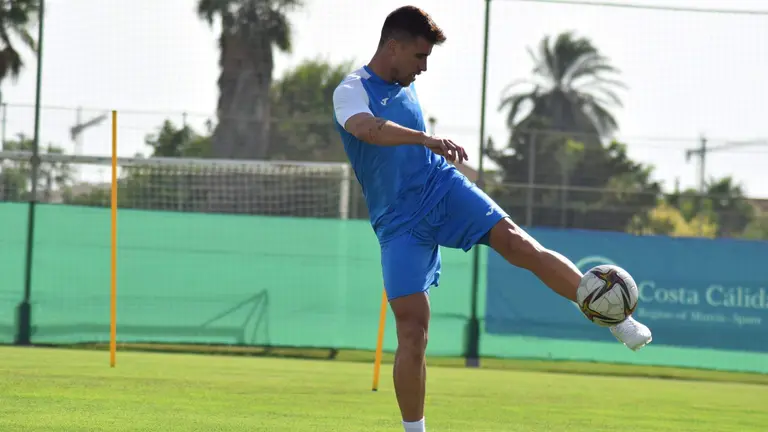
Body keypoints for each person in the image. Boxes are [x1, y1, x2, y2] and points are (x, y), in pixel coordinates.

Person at [332, 6, 652, 432]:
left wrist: (432, 150)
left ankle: (614, 316)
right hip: (398, 222)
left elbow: (406, 137)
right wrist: (426, 138)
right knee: (413, 331)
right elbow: (367, 129)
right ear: (393, 46)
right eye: (419, 57)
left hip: (442, 187)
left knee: (520, 244)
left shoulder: (405, 81)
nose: (424, 68)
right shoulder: (351, 90)